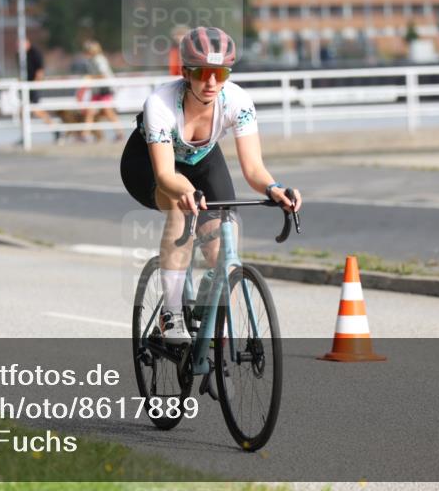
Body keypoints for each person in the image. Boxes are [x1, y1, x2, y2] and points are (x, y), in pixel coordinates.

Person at [119, 26, 301, 344]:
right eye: (203, 73)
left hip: (201, 160)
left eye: (221, 73)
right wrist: (186, 190)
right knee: (181, 207)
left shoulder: (238, 102)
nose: (212, 82)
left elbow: (254, 168)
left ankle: (207, 304)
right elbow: (165, 175)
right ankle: (171, 314)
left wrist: (275, 188)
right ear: (186, 73)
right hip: (149, 164)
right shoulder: (160, 104)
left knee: (224, 236)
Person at [79, 40, 123, 142]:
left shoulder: (99, 60)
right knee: (90, 111)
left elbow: (103, 75)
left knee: (108, 112)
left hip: (105, 89)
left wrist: (90, 77)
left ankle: (120, 133)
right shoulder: (90, 61)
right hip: (97, 90)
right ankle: (85, 134)